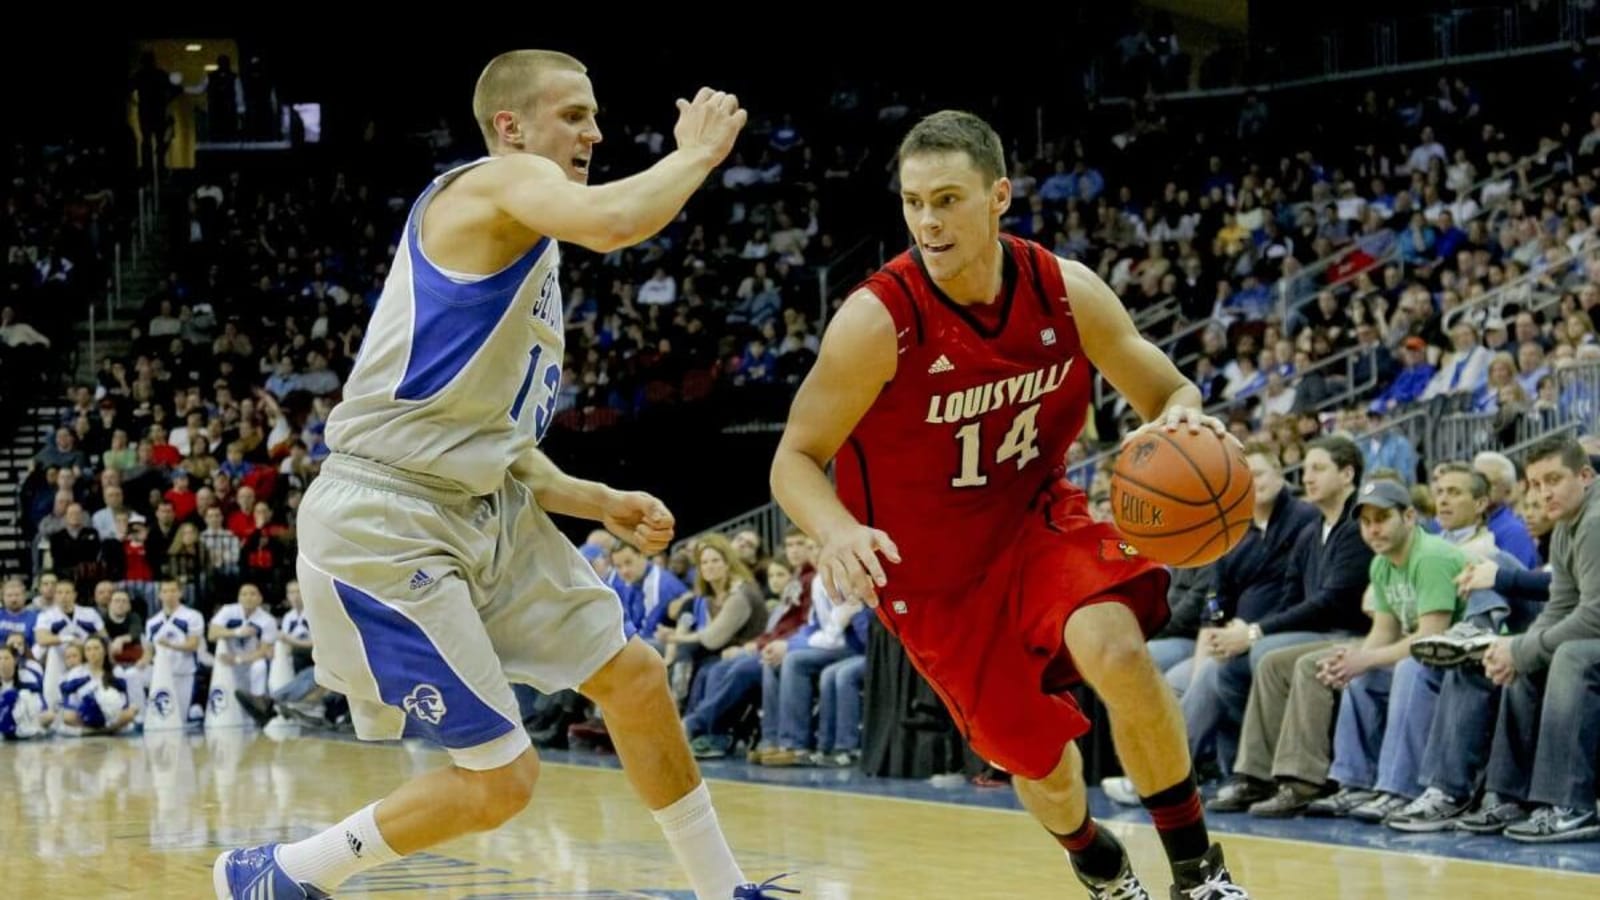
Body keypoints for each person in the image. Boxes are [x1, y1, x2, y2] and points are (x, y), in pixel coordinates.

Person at [214, 50, 787, 900]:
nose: (594, 132)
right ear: (512, 127)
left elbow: (495, 437)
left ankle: (721, 889)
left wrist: (592, 498)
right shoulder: (490, 186)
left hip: (482, 505)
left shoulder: (527, 238)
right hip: (388, 518)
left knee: (634, 677)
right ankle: (283, 872)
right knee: (502, 781)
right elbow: (618, 221)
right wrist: (696, 155)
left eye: (594, 115)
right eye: (574, 114)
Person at [770, 109, 1247, 900]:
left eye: (948, 198)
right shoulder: (877, 320)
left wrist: (1183, 419)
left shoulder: (1064, 289)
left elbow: (1168, 389)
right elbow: (794, 458)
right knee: (1040, 763)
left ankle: (1199, 873)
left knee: (1119, 652)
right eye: (914, 201)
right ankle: (1097, 862)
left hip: (1034, 518)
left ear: (999, 197)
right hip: (931, 575)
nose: (928, 220)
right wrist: (838, 530)